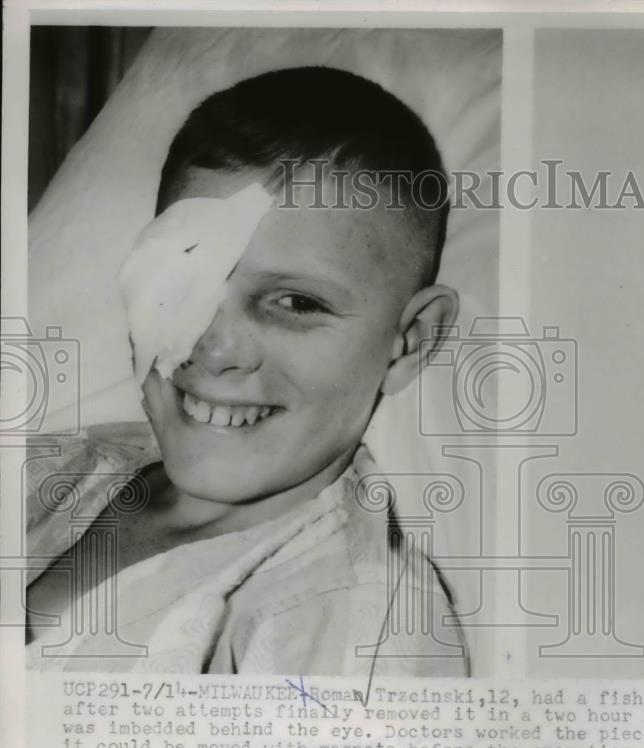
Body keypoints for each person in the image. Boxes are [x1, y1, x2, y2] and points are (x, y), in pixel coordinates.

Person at [24, 67, 469, 676]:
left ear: (411, 341)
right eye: (180, 281)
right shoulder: (47, 471)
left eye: (296, 304)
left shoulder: (359, 630)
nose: (210, 349)